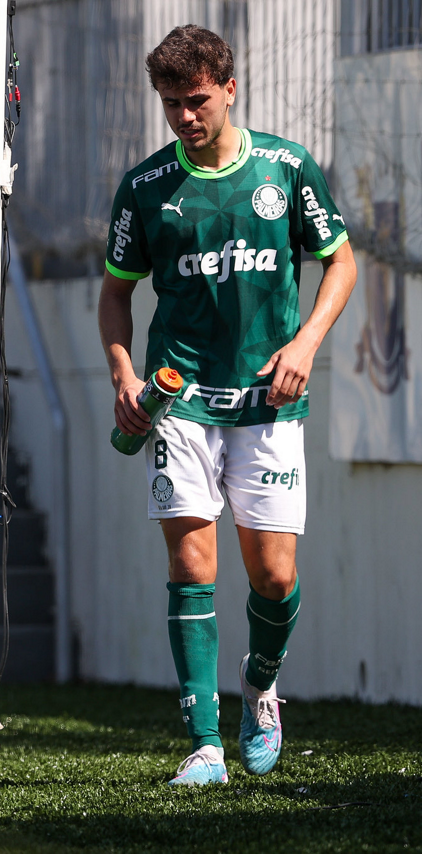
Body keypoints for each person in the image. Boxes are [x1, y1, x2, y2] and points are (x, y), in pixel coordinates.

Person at [98, 26, 356, 786]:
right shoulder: (145, 188)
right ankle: (205, 743)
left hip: (269, 401)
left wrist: (305, 344)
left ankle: (261, 686)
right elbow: (115, 293)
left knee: (273, 574)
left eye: (198, 100)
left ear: (230, 89)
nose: (185, 117)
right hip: (180, 400)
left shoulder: (286, 168)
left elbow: (341, 262)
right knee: (190, 560)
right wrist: (122, 373)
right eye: (171, 104)